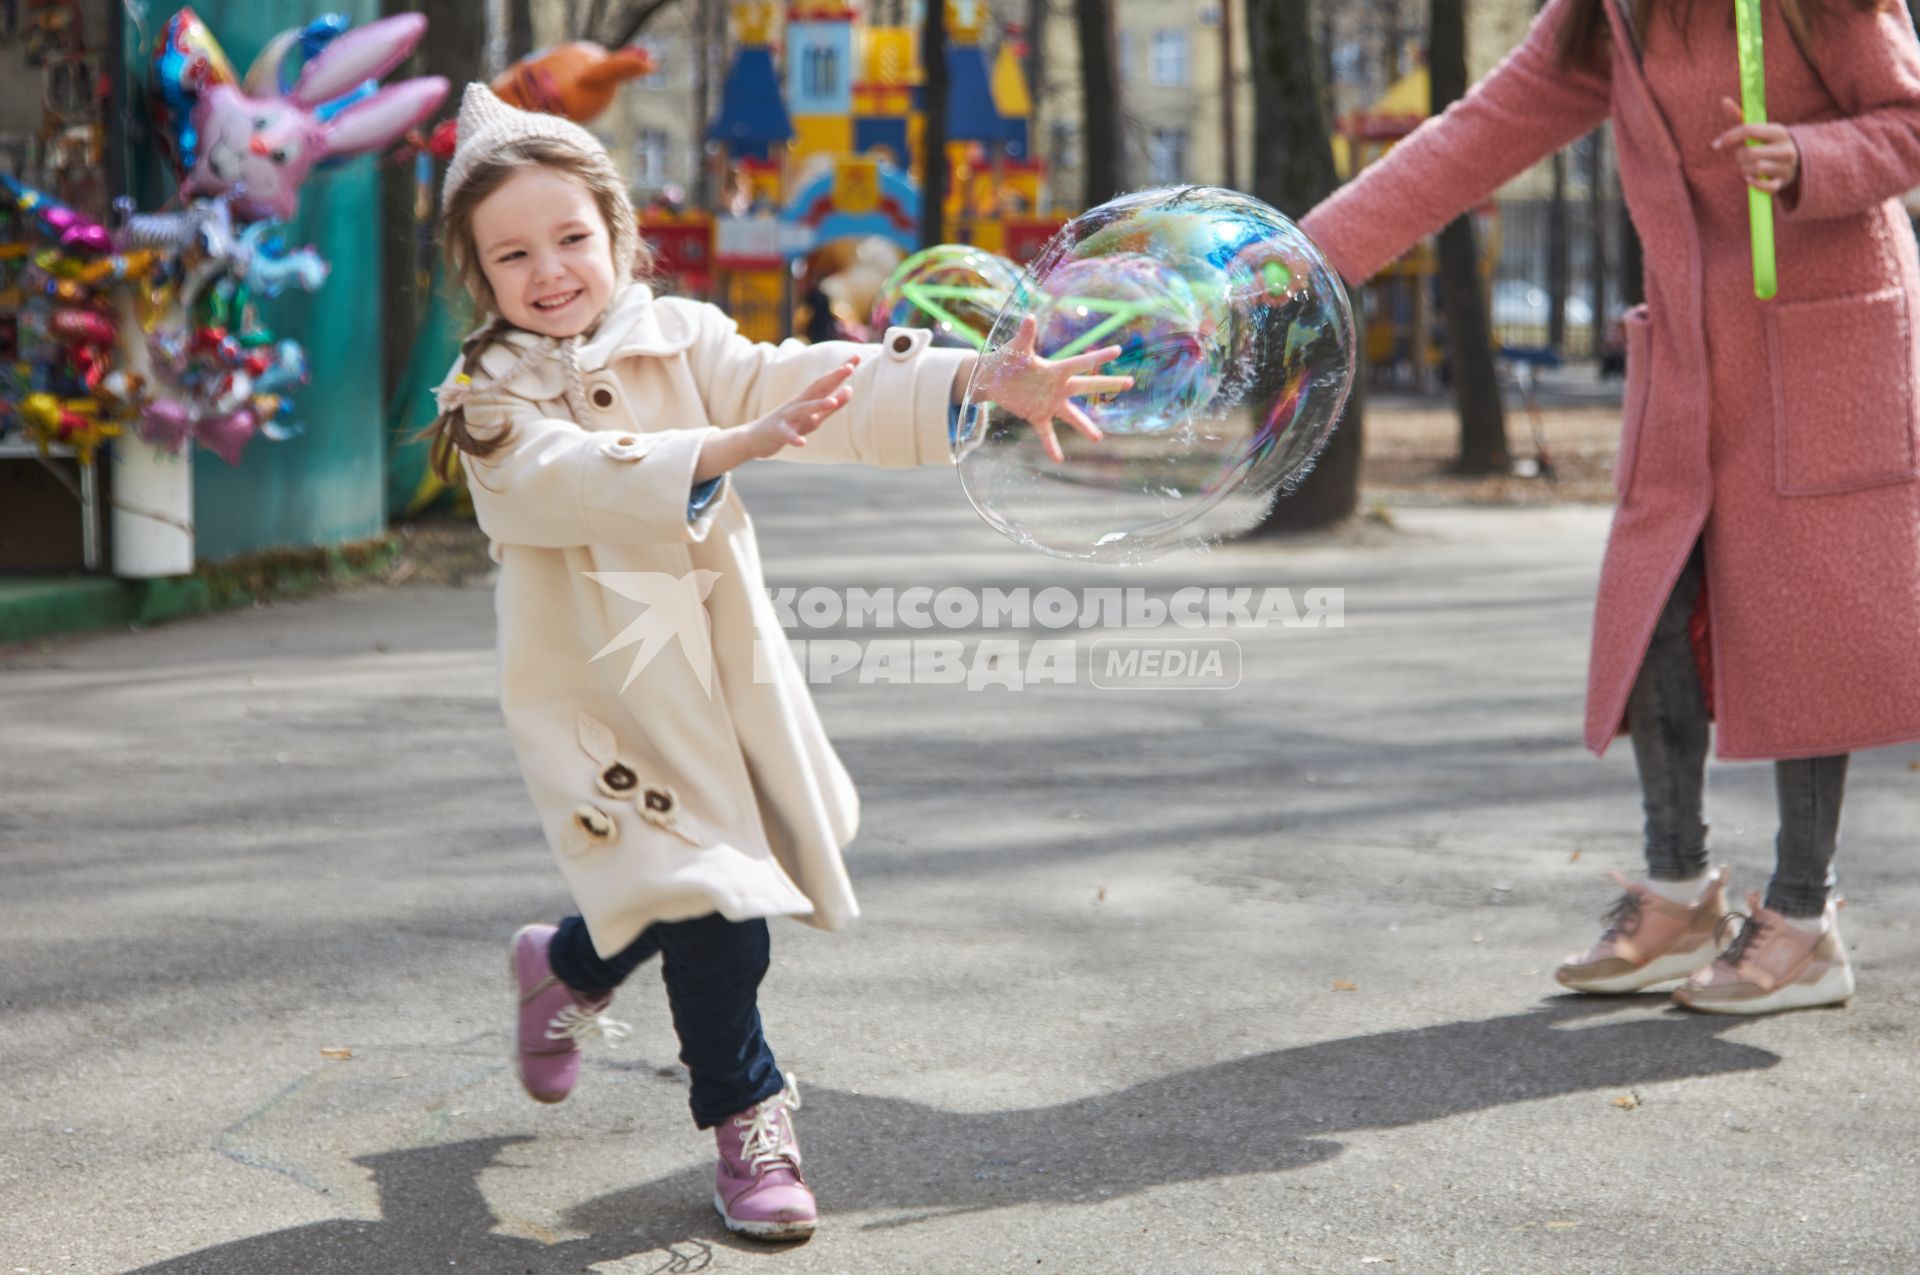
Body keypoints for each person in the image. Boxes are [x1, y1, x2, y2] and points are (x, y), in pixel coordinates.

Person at [424, 84, 1126, 1240]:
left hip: (713, 679)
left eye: (570, 239)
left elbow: (811, 382)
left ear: (616, 235)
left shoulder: (685, 338)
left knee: (694, 874)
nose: (548, 271)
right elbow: (550, 481)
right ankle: (749, 1122)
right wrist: (713, 450)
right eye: (513, 254)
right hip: (603, 703)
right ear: (480, 273)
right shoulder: (489, 396)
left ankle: (563, 962)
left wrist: (972, 380)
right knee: (718, 904)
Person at [1300, 0, 1920, 1014]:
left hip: (1825, 341)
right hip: (1688, 349)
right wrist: (1314, 253)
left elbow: (1910, 119)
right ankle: (1680, 893)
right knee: (1656, 613)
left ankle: (1805, 921)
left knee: (1808, 626)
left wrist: (1813, 157)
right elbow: (1477, 132)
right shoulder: (1608, 13)